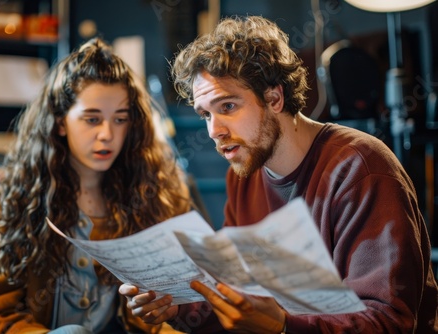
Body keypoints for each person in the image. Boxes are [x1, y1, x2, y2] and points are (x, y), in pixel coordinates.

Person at [119, 15, 438, 333]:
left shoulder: (360, 169)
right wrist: (177, 307)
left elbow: (388, 323)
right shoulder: (244, 173)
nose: (214, 130)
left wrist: (283, 325)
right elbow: (242, 300)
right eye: (206, 114)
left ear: (274, 98)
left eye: (227, 107)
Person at [0, 37, 193, 334]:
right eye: (92, 119)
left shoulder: (152, 196)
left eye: (120, 119)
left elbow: (163, 312)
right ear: (61, 122)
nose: (107, 134)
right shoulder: (15, 201)